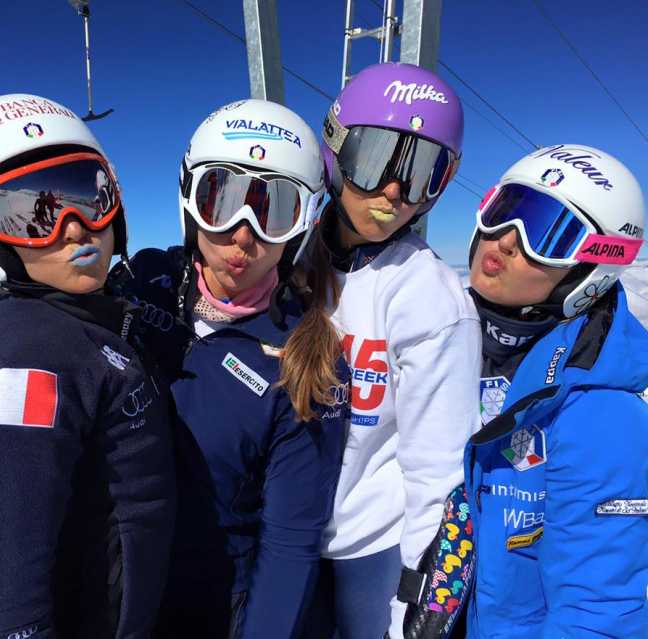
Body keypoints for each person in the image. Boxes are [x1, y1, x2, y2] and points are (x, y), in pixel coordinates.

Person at [108, 98, 349, 639]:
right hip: (113, 590)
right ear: (191, 201)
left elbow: (290, 541)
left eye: (275, 210)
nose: (243, 234)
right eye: (221, 199)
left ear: (301, 226)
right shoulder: (142, 286)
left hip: (211, 607)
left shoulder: (304, 356)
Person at [0, 93, 176, 638]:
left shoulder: (87, 324)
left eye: (87, 196)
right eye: (31, 216)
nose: (74, 228)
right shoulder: (21, 370)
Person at [299, 63, 482, 639]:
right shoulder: (285, 257)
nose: (395, 191)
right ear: (336, 149)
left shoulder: (428, 295)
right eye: (376, 158)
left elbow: (439, 474)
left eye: (423, 172)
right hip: (280, 535)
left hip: (370, 552)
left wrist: (416, 610)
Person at [464, 144, 648, 638]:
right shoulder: (435, 340)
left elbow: (597, 611)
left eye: (547, 233)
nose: (505, 240)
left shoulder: (600, 412)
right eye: (504, 211)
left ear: (591, 273)